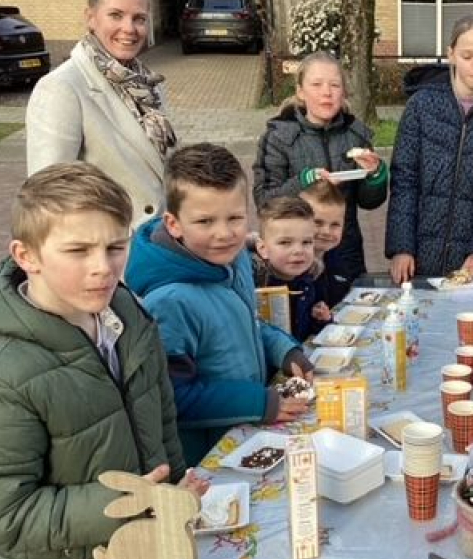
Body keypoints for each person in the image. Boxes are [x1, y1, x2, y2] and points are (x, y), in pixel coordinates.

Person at [0, 162, 207, 559]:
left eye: (116, 247)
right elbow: (0, 515)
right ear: (25, 254)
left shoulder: (130, 317)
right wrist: (128, 504)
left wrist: (173, 491)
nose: (103, 267)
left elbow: (162, 417)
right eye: (78, 251)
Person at [125, 143, 314, 466]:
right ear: (173, 224)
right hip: (210, 458)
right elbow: (174, 397)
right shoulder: (168, 301)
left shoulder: (234, 258)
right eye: (205, 222)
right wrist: (260, 402)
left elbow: (247, 323)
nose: (224, 233)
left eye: (235, 218)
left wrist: (286, 352)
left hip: (248, 434)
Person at [386, 15, 473, 282]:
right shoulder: (421, 106)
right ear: (451, 55)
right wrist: (401, 247)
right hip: (417, 260)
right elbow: (405, 179)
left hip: (468, 267)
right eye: (467, 55)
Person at [26, 0, 176, 228]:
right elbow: (48, 197)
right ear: (91, 18)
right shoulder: (62, 87)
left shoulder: (149, 85)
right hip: (114, 251)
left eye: (139, 19)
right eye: (116, 15)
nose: (129, 28)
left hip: (160, 246)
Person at [252, 51, 388, 281]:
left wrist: (375, 175)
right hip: (293, 260)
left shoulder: (356, 136)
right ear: (300, 91)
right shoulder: (278, 137)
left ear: (343, 91)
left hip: (346, 253)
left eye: (335, 85)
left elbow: (369, 201)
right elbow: (265, 201)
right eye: (316, 84)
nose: (327, 92)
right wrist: (305, 182)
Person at [252, 196, 329, 342]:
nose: (298, 250)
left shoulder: (310, 278)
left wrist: (320, 319)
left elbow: (308, 332)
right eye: (285, 242)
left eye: (306, 242)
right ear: (263, 248)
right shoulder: (254, 286)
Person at [299, 180, 351, 308]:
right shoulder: (292, 266)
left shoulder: (337, 261)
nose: (326, 232)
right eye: (318, 222)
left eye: (335, 225)